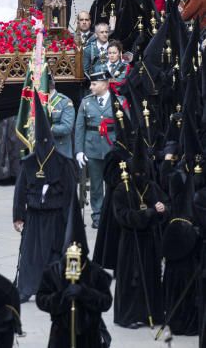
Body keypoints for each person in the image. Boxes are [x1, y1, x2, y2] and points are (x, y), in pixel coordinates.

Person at [13, 93, 75, 303]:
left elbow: (69, 194)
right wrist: (18, 216)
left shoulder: (62, 162)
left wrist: (69, 220)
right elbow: (20, 190)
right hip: (34, 215)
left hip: (55, 214)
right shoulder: (29, 162)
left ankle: (53, 286)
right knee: (31, 253)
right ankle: (26, 287)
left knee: (54, 253)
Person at [36, 190, 112, 347]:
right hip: (60, 336)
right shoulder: (53, 272)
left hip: (89, 337)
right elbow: (41, 300)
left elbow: (106, 302)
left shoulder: (96, 273)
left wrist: (84, 293)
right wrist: (62, 297)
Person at [113, 129, 168, 328]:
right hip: (131, 241)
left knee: (151, 277)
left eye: (143, 173)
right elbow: (123, 216)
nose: (140, 176)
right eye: (137, 173)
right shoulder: (122, 189)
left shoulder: (152, 187)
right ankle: (128, 315)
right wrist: (149, 213)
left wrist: (162, 210)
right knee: (131, 280)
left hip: (150, 241)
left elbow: (164, 205)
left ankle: (151, 313)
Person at [75, 71, 116, 229]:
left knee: (112, 183)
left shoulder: (117, 101)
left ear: (105, 84)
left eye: (94, 84)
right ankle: (98, 215)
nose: (91, 87)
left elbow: (123, 127)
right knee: (96, 186)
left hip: (111, 149)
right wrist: (79, 150)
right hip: (92, 149)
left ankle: (112, 214)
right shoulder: (86, 102)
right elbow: (80, 128)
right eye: (91, 84)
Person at [46, 71, 75, 159]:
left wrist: (45, 129)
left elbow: (67, 127)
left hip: (60, 149)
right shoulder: (36, 101)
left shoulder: (64, 101)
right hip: (42, 149)